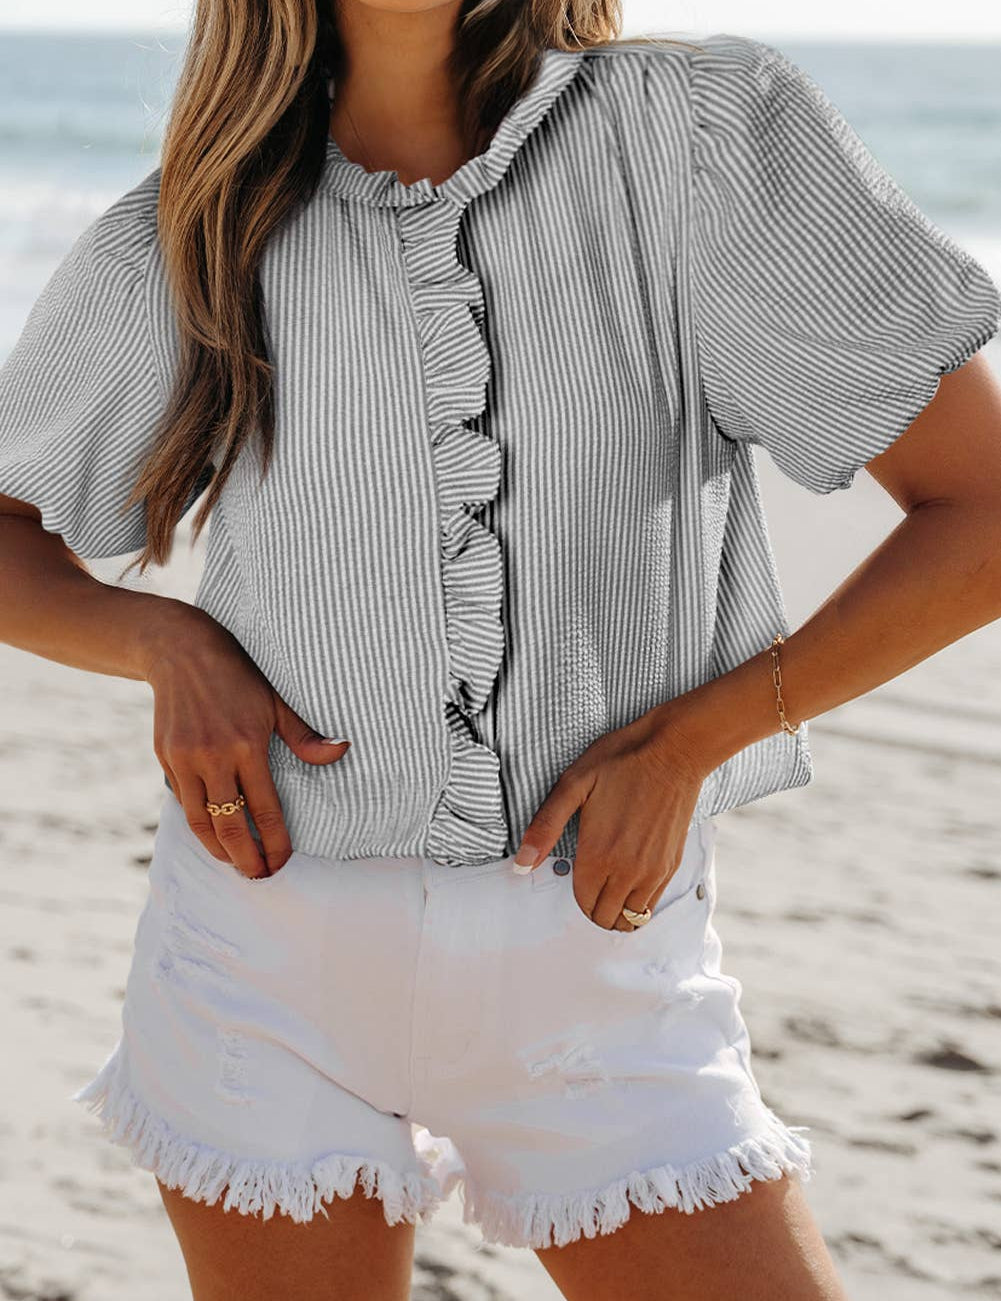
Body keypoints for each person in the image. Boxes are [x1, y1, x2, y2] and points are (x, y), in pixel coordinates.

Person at [1, 0, 1000, 1295]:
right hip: (253, 961)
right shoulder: (197, 226)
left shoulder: (698, 140)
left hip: (595, 961)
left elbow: (979, 509)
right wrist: (162, 640)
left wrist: (695, 737)